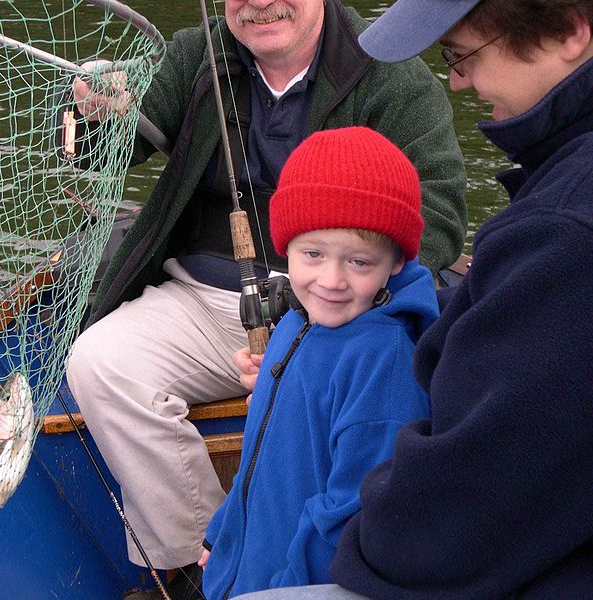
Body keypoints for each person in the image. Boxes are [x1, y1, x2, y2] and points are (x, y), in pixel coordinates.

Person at [65, 0, 467, 584]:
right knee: (100, 364)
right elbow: (93, 155)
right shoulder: (194, 57)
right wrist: (92, 110)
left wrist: (328, 304)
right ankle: (197, 565)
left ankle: (293, 572)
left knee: (310, 419)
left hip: (337, 306)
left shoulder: (390, 71)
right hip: (196, 298)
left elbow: (441, 207)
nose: (259, 3)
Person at [235, 1, 593, 598]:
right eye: (311, 255)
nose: (455, 80)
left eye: (461, 54)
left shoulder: (564, 233)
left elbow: (446, 520)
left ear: (571, 31)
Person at [198, 126, 438, 599]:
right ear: (284, 247)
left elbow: (349, 515)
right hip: (247, 568)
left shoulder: (383, 365)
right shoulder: (298, 319)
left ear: (394, 262)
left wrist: (286, 589)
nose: (331, 280)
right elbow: (258, 454)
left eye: (359, 263)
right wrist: (221, 531)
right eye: (312, 254)